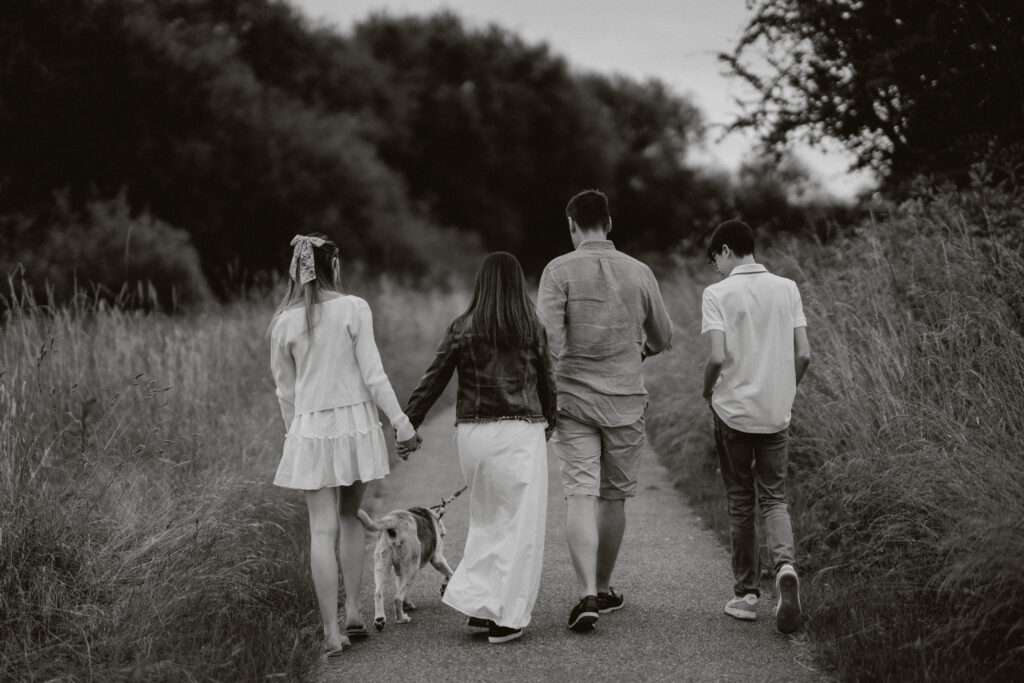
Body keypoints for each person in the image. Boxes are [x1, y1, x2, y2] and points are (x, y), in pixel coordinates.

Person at [269, 234, 422, 656]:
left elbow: (285, 393)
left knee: (322, 528)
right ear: (332, 265)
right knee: (351, 516)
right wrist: (401, 423)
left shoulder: (283, 322)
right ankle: (354, 611)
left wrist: (295, 437)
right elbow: (374, 374)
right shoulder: (354, 308)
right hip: (354, 425)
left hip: (310, 431)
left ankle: (331, 633)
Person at [537, 189, 673, 632]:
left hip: (573, 400)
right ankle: (605, 587)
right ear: (609, 224)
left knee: (579, 494)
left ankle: (585, 595)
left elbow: (547, 344)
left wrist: (543, 398)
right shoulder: (639, 272)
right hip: (626, 402)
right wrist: (643, 349)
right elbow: (663, 335)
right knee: (614, 497)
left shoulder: (558, 271)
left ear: (571, 224)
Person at [404, 252, 557, 645]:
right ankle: (506, 618)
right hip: (520, 431)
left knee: (487, 519)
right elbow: (548, 384)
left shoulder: (462, 327)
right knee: (519, 526)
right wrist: (550, 424)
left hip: (474, 435)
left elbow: (434, 378)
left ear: (482, 285)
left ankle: (481, 603)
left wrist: (409, 423)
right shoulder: (532, 328)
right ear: (518, 284)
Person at [700, 219, 811, 634]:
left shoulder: (717, 294)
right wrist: (785, 390)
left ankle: (747, 595)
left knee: (740, 501)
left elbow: (715, 357)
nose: (717, 269)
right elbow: (804, 354)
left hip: (732, 413)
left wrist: (706, 391)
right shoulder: (787, 289)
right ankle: (784, 565)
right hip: (774, 413)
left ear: (726, 250)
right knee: (774, 498)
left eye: (716, 260)